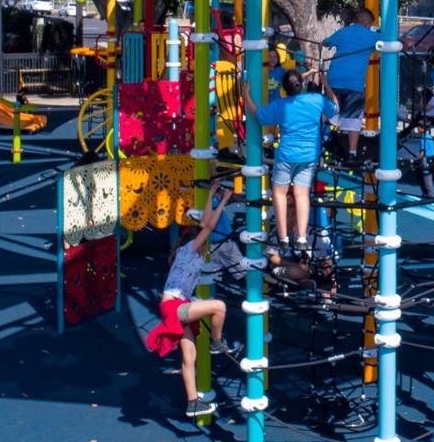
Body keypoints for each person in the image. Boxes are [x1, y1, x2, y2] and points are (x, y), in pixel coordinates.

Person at [144, 185, 239, 419]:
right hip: (175, 307)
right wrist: (223, 200)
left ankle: (193, 402)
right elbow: (209, 226)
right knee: (219, 306)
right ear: (197, 241)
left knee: (189, 358)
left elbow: (204, 224)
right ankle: (216, 343)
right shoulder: (190, 250)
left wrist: (210, 196)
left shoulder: (186, 251)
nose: (207, 244)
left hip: (173, 307)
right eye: (204, 241)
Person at [244, 69, 337, 260]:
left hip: (286, 155)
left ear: (284, 89)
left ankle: (283, 236)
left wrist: (246, 95)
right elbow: (335, 106)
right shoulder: (316, 100)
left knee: (279, 192)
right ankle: (302, 237)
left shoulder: (281, 104)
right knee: (301, 194)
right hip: (309, 155)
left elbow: (258, 116)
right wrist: (325, 83)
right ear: (301, 85)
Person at [321, 9, 380, 158]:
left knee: (327, 114)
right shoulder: (372, 36)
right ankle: (352, 153)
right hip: (354, 84)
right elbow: (392, 42)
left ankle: (319, 144)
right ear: (367, 24)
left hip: (334, 81)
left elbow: (325, 42)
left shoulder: (343, 32)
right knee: (354, 120)